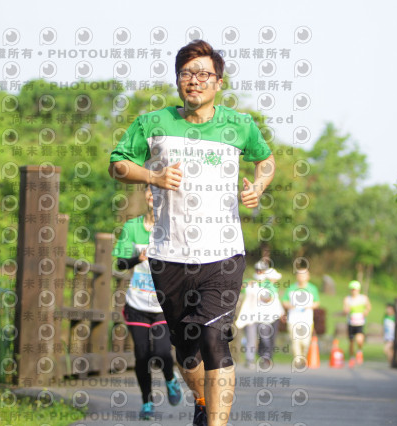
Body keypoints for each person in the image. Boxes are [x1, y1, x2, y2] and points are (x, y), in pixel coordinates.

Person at [108, 39, 275, 426]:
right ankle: (202, 401)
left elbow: (265, 160)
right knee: (186, 352)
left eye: (203, 74)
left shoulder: (239, 125)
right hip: (169, 254)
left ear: (218, 82)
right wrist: (152, 176)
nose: (194, 80)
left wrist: (258, 185)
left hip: (223, 254)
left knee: (215, 339)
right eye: (186, 73)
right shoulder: (153, 123)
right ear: (177, 80)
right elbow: (118, 164)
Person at [112, 185, 182, 420]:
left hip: (163, 305)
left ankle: (170, 379)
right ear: (145, 194)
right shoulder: (132, 227)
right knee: (142, 355)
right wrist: (138, 258)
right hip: (137, 304)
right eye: (149, 189)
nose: (152, 194)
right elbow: (120, 263)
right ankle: (147, 402)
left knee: (162, 352)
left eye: (157, 189)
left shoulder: (172, 227)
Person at [235, 260, 285, 369]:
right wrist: (246, 285)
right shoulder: (249, 282)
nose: (259, 272)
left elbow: (269, 298)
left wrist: (259, 293)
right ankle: (250, 359)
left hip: (264, 316)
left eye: (261, 271)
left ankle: (265, 357)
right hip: (250, 315)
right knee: (251, 338)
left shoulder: (269, 284)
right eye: (257, 270)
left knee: (265, 338)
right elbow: (238, 289)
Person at [281, 267, 320, 368]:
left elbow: (317, 303)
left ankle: (304, 358)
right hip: (293, 319)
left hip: (307, 320)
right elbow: (284, 301)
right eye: (299, 275)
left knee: (305, 341)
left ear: (308, 276)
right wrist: (290, 306)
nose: (301, 277)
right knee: (295, 340)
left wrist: (309, 306)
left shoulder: (312, 289)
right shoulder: (291, 288)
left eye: (303, 275)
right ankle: (297, 360)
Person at [343, 280, 371, 367]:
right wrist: (346, 310)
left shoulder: (363, 298)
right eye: (352, 289)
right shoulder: (347, 299)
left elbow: (368, 307)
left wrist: (366, 311)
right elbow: (345, 310)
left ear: (358, 290)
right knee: (351, 341)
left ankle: (359, 351)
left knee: (359, 340)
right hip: (351, 323)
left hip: (360, 323)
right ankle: (352, 358)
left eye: (355, 289)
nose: (353, 291)